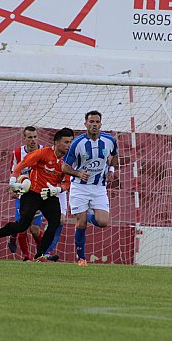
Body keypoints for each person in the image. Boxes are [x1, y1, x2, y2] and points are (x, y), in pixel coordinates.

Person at [0, 128, 74, 261]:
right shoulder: (43, 152)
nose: (68, 145)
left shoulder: (68, 160)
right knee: (23, 225)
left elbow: (67, 182)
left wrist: (58, 189)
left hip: (49, 195)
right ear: (56, 142)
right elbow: (23, 163)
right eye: (66, 142)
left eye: (70, 142)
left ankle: (40, 254)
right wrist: (13, 179)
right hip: (32, 193)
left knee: (55, 223)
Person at [62, 111, 119, 267]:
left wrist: (112, 170)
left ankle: (84, 215)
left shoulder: (109, 140)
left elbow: (114, 155)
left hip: (99, 187)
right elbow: (64, 166)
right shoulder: (77, 143)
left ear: (101, 123)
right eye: (91, 121)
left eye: (97, 121)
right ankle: (82, 258)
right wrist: (78, 173)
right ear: (85, 124)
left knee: (103, 222)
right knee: (81, 225)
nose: (94, 124)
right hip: (79, 187)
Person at [6, 126, 44, 260]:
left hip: (39, 194)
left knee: (35, 229)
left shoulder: (44, 151)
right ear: (24, 139)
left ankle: (42, 255)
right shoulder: (17, 153)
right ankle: (26, 257)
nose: (33, 140)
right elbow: (14, 172)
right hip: (23, 193)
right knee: (22, 227)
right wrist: (12, 187)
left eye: (35, 137)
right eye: (30, 137)